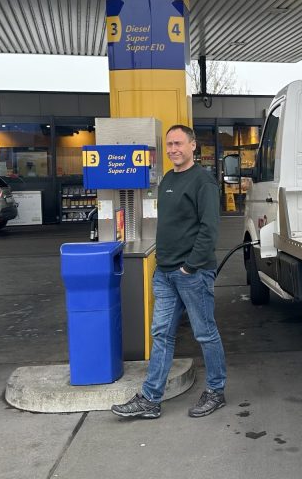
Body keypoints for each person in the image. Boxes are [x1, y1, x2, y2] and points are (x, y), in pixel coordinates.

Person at [111, 124, 226, 419]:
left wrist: (190, 266)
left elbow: (209, 229)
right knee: (161, 334)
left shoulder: (203, 181)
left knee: (205, 333)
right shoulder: (167, 180)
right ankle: (151, 399)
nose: (173, 149)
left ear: (193, 146)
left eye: (178, 143)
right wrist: (164, 264)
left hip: (192, 273)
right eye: (169, 144)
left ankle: (216, 391)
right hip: (165, 273)